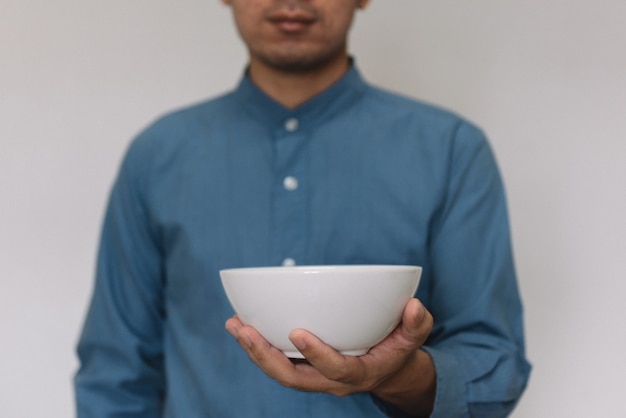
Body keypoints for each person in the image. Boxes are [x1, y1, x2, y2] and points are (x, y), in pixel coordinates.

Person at [74, 0, 531, 416]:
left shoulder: (450, 151)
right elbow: (116, 371)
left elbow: (492, 365)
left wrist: (397, 377)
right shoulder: (157, 156)